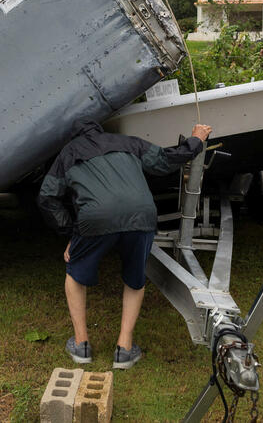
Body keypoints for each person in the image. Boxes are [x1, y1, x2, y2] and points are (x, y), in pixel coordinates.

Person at [38, 118, 212, 369]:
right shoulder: (126, 142)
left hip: (96, 218)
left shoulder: (69, 152)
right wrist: (196, 139)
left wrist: (72, 232)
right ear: (102, 128)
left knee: (75, 274)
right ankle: (124, 349)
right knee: (134, 277)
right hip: (141, 214)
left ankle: (81, 345)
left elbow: (47, 197)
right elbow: (164, 160)